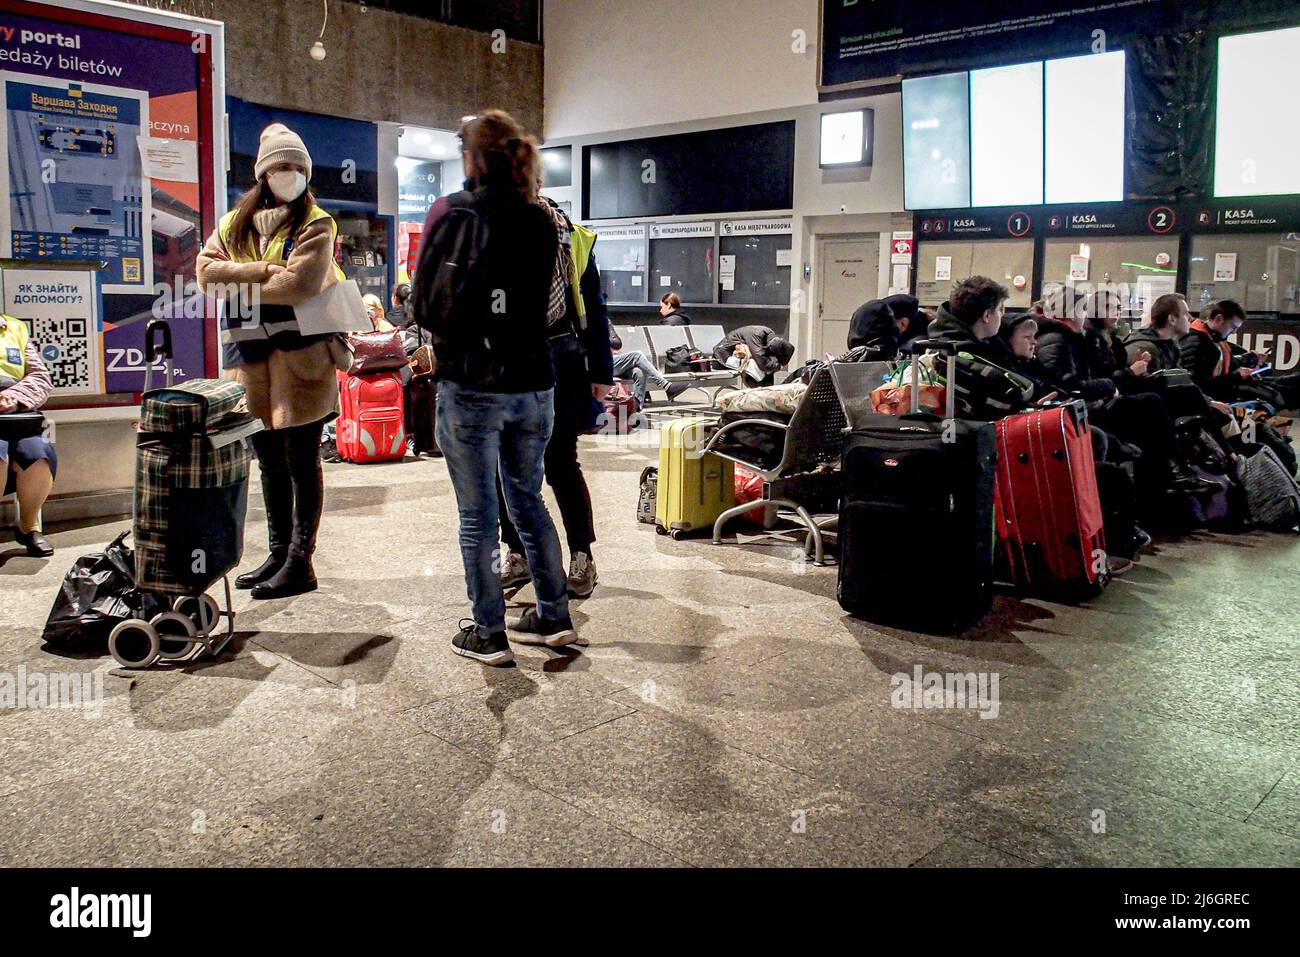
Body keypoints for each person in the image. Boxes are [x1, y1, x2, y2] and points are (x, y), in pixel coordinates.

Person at [414, 108, 573, 665]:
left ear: (472, 156)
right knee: (528, 499)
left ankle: (488, 632)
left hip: (472, 385)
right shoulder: (542, 218)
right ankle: (554, 617)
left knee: (478, 516)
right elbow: (552, 307)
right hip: (535, 384)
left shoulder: (452, 211)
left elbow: (424, 304)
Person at [197, 122, 352, 599]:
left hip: (302, 357)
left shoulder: (317, 223)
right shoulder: (231, 223)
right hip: (249, 359)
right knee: (266, 459)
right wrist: (267, 270)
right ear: (262, 174)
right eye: (280, 166)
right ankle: (278, 550)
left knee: (302, 458)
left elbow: (300, 285)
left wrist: (238, 277)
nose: (289, 174)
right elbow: (206, 275)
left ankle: (300, 561)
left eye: (296, 167)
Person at [497, 197, 613, 600]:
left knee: (561, 462)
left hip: (563, 357)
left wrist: (601, 370)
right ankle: (517, 553)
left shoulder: (572, 237)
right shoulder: (497, 225)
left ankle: (582, 555)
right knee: (503, 466)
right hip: (510, 359)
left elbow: (595, 309)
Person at [1036, 292, 1216, 499]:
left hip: (1094, 404)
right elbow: (1070, 385)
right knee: (1151, 404)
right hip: (1082, 410)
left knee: (1158, 404)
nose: (1086, 316)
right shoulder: (1060, 339)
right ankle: (1173, 474)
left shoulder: (1080, 339)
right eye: (1084, 310)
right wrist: (1123, 377)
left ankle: (1174, 475)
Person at [0, 313, 56, 556]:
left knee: (38, 455)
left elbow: (40, 377)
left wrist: (15, 397)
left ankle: (28, 526)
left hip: (14, 416)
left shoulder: (14, 327)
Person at [1180, 299, 1300, 410]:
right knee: (1279, 393)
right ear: (1218, 319)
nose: (1234, 332)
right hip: (1221, 394)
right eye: (1233, 327)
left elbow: (1229, 364)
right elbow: (1199, 385)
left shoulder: (1215, 340)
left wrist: (1247, 364)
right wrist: (1237, 375)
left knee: (1288, 382)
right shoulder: (1196, 343)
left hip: (1229, 386)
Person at [608, 328, 685, 405]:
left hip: (614, 363)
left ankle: (637, 405)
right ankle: (665, 384)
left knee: (639, 372)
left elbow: (617, 343)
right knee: (637, 355)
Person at [711, 325, 795, 387]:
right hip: (722, 355)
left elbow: (790, 349)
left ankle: (765, 391)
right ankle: (757, 392)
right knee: (754, 365)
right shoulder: (756, 335)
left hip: (738, 354)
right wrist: (778, 366)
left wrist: (779, 364)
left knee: (767, 363)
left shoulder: (769, 335)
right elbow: (762, 363)